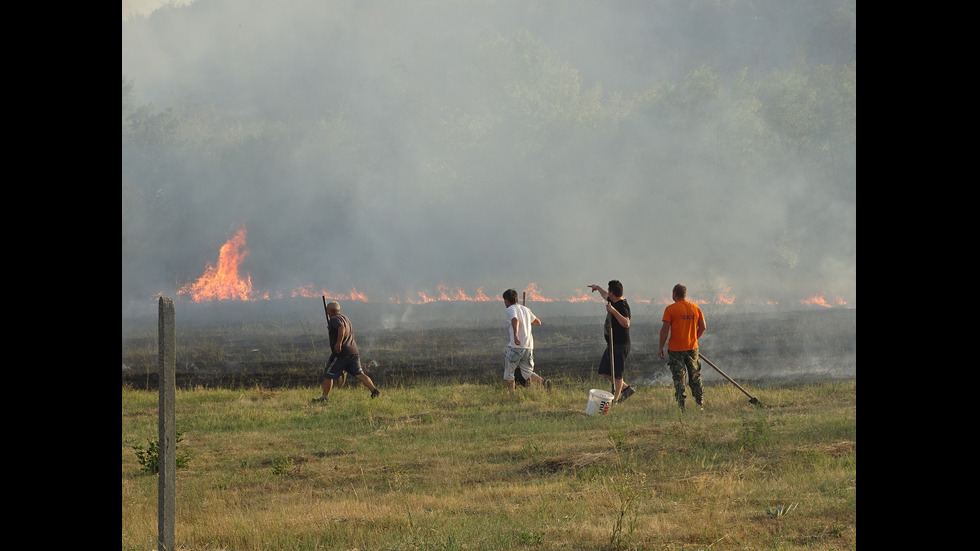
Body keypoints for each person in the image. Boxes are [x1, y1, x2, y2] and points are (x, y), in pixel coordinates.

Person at [312, 301, 380, 403]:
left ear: (330, 311)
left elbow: (342, 328)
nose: (326, 311)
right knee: (359, 374)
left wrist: (338, 343)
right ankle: (374, 391)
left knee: (328, 374)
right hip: (353, 351)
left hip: (341, 353)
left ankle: (324, 398)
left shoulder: (334, 319)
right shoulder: (345, 318)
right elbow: (342, 327)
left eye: (327, 310)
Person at [658, 284, 707, 411]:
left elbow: (664, 330)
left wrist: (660, 347)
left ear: (674, 294)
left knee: (679, 378)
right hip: (692, 348)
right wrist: (694, 339)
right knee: (695, 376)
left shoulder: (670, 309)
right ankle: (700, 403)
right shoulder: (695, 308)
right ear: (685, 294)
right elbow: (703, 327)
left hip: (675, 350)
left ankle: (682, 406)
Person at [588, 281, 635, 403]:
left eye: (609, 291)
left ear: (613, 293)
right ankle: (627, 389)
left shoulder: (622, 305)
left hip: (620, 344)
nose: (607, 293)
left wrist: (613, 311)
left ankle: (614, 400)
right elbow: (605, 295)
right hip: (612, 344)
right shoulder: (613, 300)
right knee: (605, 370)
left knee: (617, 375)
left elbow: (626, 323)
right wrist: (597, 288)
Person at [502, 289, 551, 393]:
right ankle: (544, 382)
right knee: (527, 372)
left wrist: (516, 336)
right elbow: (538, 322)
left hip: (516, 346)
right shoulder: (526, 309)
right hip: (528, 346)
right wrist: (526, 321)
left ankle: (511, 397)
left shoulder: (510, 309)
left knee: (509, 373)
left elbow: (515, 320)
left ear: (506, 300)